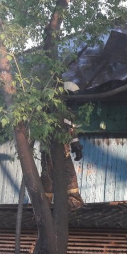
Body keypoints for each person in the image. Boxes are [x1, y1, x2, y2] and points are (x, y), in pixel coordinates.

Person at [41, 81, 86, 211]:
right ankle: (45, 205)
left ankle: (73, 202)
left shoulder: (69, 113)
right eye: (72, 96)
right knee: (48, 178)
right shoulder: (50, 110)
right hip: (49, 151)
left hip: (64, 151)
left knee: (70, 176)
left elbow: (72, 132)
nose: (73, 100)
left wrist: (76, 146)